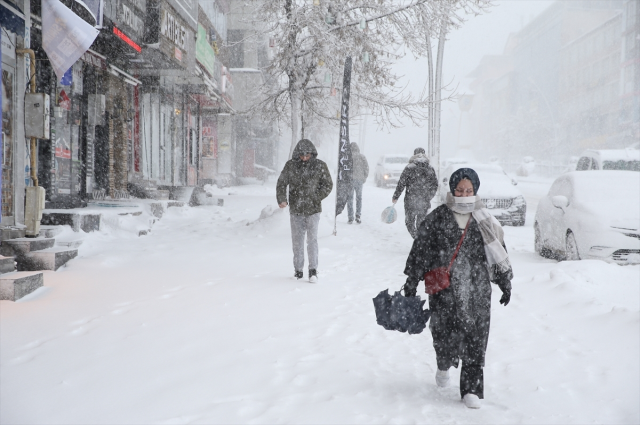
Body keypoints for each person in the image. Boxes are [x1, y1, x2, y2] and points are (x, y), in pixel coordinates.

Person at [402, 167, 513, 409]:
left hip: (477, 288)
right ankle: (444, 363)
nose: (464, 195)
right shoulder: (438, 217)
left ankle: (471, 388)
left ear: (476, 190)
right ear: (452, 190)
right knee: (444, 334)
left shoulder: (484, 219)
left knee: (476, 336)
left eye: (469, 190)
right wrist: (411, 281)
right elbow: (420, 251)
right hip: (445, 289)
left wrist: (505, 281)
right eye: (460, 190)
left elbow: (498, 252)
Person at [277, 139, 333, 283]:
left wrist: (317, 197)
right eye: (301, 155)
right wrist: (282, 198)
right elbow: (282, 183)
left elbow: (328, 184)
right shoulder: (290, 166)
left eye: (307, 155)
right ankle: (298, 270)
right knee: (297, 241)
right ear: (297, 154)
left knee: (312, 240)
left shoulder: (320, 166)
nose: (304, 158)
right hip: (296, 210)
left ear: (312, 153)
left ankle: (313, 270)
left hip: (313, 210)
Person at [392, 147, 438, 238]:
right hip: (424, 201)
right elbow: (435, 185)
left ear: (414, 155)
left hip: (410, 201)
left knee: (409, 223)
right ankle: (420, 240)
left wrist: (396, 196)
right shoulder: (430, 168)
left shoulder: (409, 168)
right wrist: (429, 196)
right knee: (421, 223)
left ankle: (416, 237)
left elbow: (401, 183)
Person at [347, 142, 369, 224]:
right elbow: (366, 167)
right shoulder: (362, 157)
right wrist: (364, 177)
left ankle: (350, 217)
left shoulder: (348, 157)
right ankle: (358, 215)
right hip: (359, 180)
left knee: (350, 198)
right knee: (359, 198)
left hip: (350, 180)